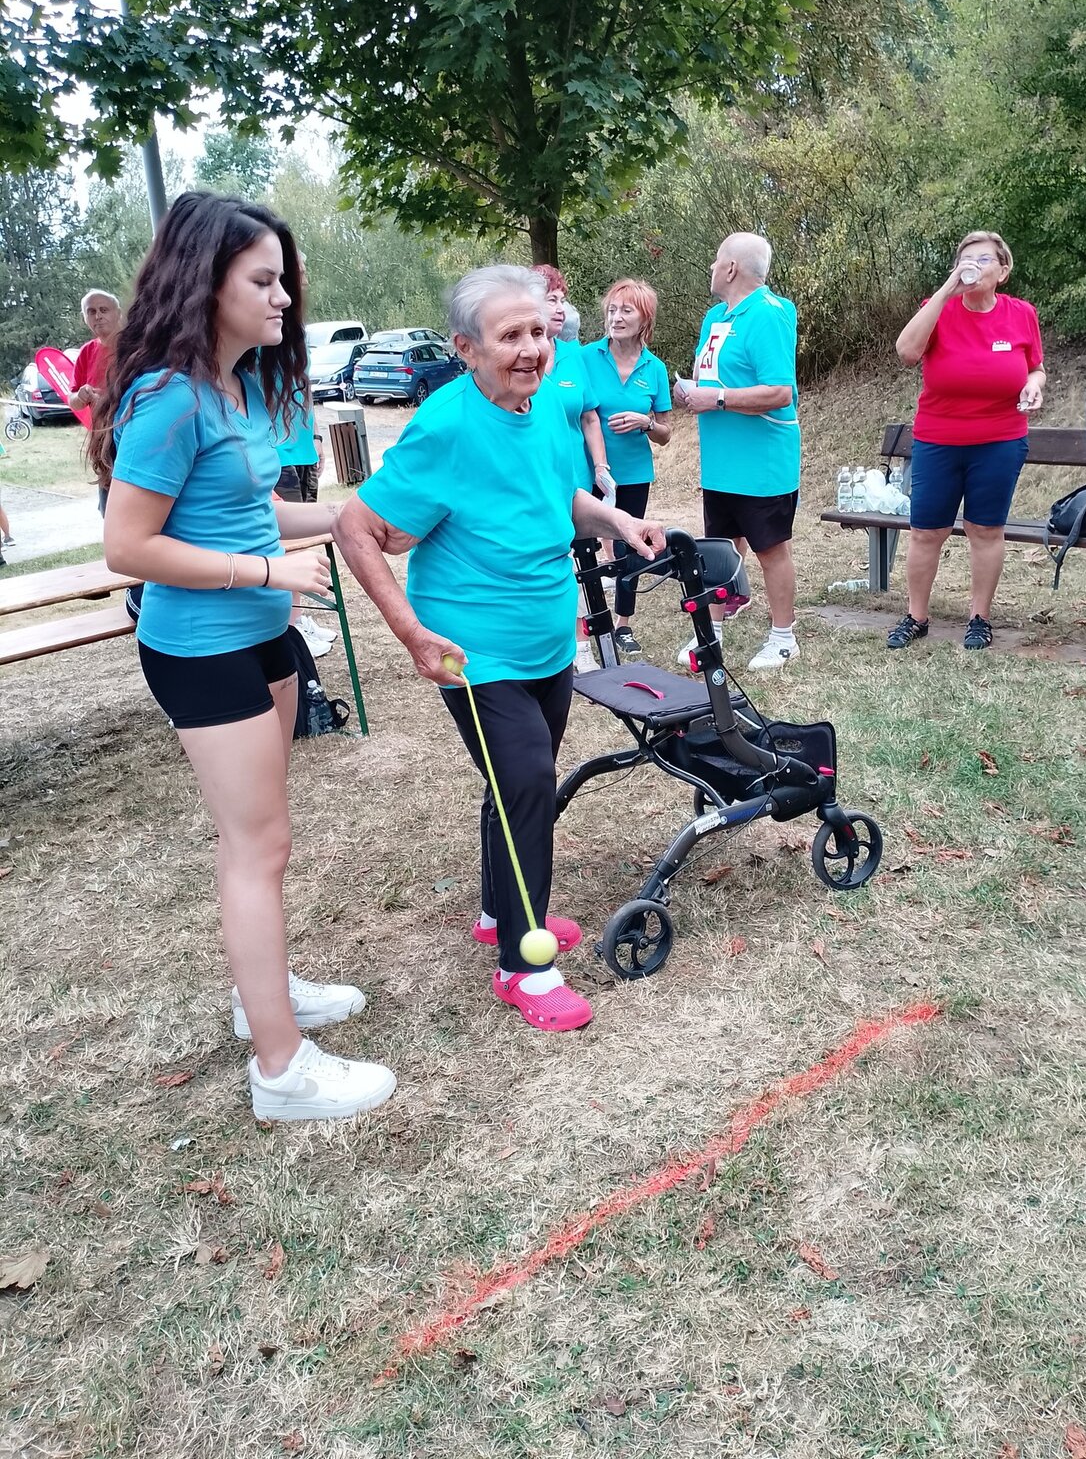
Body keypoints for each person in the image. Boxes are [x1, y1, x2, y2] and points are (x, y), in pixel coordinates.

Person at [89, 190, 395, 1121]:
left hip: (263, 634)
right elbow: (127, 546)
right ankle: (282, 1070)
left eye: (284, 282)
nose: (284, 300)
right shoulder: (168, 398)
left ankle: (260, 993)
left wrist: (350, 519)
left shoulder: (235, 384)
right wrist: (265, 571)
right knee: (258, 848)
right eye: (264, 281)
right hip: (201, 648)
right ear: (205, 281)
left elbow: (246, 509)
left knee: (256, 838)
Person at [334, 264, 665, 1032]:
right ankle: (524, 964)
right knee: (527, 784)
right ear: (466, 348)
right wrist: (411, 632)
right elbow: (357, 526)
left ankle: (498, 911)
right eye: (509, 335)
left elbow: (559, 497)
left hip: (547, 640)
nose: (531, 348)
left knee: (517, 782)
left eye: (539, 332)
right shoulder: (446, 425)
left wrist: (619, 522)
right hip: (473, 647)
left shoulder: (545, 405)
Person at [888, 232, 1046, 652]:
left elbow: (1035, 366)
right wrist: (946, 291)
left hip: (1000, 441)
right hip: (938, 440)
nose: (973, 265)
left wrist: (1034, 384)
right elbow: (906, 352)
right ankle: (916, 616)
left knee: (985, 529)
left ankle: (979, 618)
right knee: (927, 532)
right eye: (965, 258)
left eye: (983, 259)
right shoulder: (938, 307)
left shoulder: (1021, 314)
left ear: (1003, 271)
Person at [673, 233, 799, 671]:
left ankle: (783, 638)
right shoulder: (714, 317)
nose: (711, 268)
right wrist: (690, 392)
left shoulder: (768, 313)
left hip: (762, 462)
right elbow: (710, 378)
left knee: (770, 549)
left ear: (730, 268)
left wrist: (717, 399)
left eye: (716, 260)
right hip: (720, 462)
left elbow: (780, 391)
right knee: (720, 548)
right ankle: (711, 633)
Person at [580, 279, 671, 656]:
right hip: (587, 471)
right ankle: (585, 626)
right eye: (612, 310)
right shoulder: (585, 358)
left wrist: (645, 422)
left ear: (644, 320)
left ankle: (622, 625)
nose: (616, 318)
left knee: (629, 546)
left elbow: (665, 433)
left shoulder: (655, 368)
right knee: (581, 547)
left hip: (633, 473)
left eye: (626, 311)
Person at [531, 264, 613, 671]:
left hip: (575, 481)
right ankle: (555, 644)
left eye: (563, 300)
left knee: (581, 563)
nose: (561, 309)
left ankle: (582, 646)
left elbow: (590, 417)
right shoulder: (518, 361)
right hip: (534, 483)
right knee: (549, 563)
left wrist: (601, 466)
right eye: (551, 300)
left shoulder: (573, 356)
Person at [272, 251, 336, 658]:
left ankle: (299, 620)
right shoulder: (263, 337)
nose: (304, 278)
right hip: (275, 455)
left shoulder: (295, 330)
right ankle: (293, 626)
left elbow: (304, 389)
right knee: (286, 544)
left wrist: (315, 436)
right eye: (298, 271)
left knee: (305, 537)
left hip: (301, 450)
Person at [70, 289, 124, 514]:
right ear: (85, 318)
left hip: (132, 436)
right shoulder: (86, 352)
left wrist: (110, 397)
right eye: (91, 312)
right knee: (108, 509)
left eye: (104, 310)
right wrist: (81, 395)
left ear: (118, 313)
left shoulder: (135, 347)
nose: (98, 316)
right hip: (102, 441)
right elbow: (73, 401)